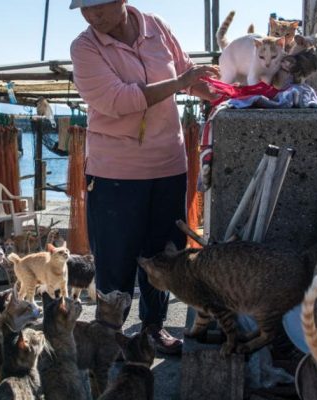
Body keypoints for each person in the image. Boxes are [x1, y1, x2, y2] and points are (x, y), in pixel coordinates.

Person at [69, 0, 218, 354]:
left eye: (99, 7)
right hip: (114, 171)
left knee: (164, 255)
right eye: (84, 10)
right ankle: (111, 337)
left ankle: (153, 329)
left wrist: (227, 95)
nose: (92, 16)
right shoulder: (85, 46)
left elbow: (186, 72)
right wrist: (182, 81)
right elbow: (118, 100)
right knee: (115, 258)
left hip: (168, 164)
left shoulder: (156, 26)